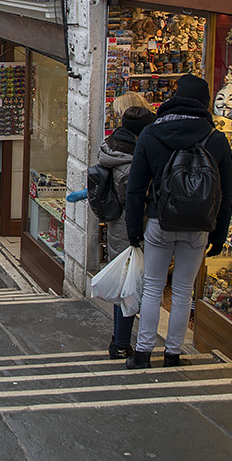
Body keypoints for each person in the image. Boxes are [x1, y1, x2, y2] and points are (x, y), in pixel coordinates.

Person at [124, 74, 232, 369]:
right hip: (198, 227)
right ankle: (173, 354)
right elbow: (225, 193)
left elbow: (136, 188)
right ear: (205, 103)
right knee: (183, 291)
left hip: (160, 221)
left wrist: (134, 230)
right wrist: (219, 236)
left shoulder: (151, 134)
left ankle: (143, 353)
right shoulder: (216, 139)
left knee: (153, 287)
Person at [86, 105, 155, 359]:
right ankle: (122, 343)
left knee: (127, 286)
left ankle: (119, 340)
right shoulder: (130, 163)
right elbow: (135, 199)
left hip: (119, 228)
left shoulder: (113, 149)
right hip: (131, 231)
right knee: (131, 287)